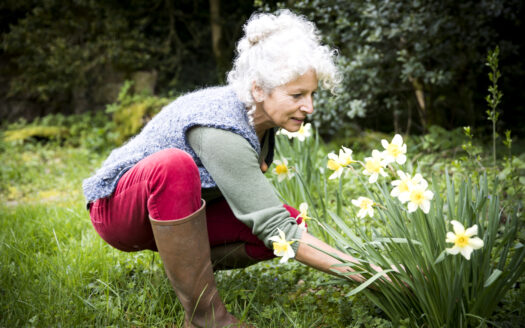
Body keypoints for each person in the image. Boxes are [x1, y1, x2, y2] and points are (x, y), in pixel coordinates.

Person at [83, 10, 376, 328]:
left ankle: (187, 274)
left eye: (312, 94)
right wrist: (374, 273)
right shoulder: (222, 124)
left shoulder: (261, 122)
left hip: (172, 211)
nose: (310, 107)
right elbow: (277, 228)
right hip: (118, 208)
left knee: (290, 221)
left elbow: (277, 224)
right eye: (297, 95)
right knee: (175, 165)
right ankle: (207, 319)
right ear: (259, 90)